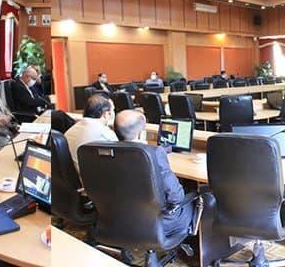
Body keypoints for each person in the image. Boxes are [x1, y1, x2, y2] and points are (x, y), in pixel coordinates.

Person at [114, 110, 194, 239]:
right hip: (158, 221)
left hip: (120, 216)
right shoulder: (154, 153)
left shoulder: (109, 152)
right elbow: (176, 197)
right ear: (141, 134)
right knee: (199, 199)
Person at [64, 94, 117, 172]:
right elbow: (118, 161)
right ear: (106, 114)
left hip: (74, 177)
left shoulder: (69, 131)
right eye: (113, 110)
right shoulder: (106, 134)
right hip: (95, 178)